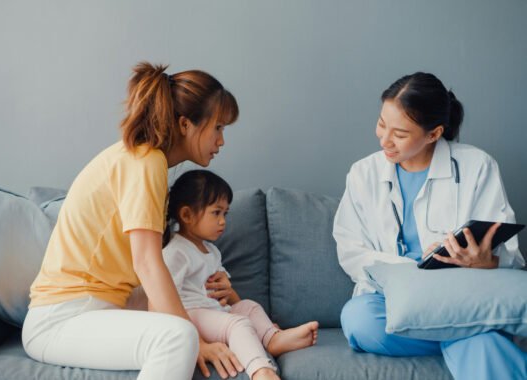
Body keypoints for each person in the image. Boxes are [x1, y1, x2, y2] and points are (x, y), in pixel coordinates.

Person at [22, 62, 240, 380]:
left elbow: (150, 277)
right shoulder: (146, 162)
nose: (221, 141)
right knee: (179, 337)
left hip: (98, 306)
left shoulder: (144, 160)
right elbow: (147, 264)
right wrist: (199, 341)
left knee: (188, 320)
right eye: (218, 127)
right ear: (185, 124)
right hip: (62, 317)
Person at [333, 72, 526, 379]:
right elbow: (350, 250)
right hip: (392, 298)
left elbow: (509, 256)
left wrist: (485, 262)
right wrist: (411, 267)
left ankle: (465, 329)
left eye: (399, 133)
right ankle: (472, 335)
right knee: (358, 320)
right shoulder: (363, 174)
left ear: (434, 134)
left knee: (466, 319)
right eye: (382, 124)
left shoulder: (478, 166)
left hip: (461, 296)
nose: (384, 140)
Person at [156, 169, 319, 380]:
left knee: (249, 307)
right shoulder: (176, 252)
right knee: (238, 325)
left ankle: (272, 339)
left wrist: (239, 307)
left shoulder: (212, 251)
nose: (223, 221)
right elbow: (165, 298)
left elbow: (227, 296)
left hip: (215, 313)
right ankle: (262, 371)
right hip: (191, 316)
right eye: (216, 213)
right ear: (186, 215)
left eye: (225, 213)